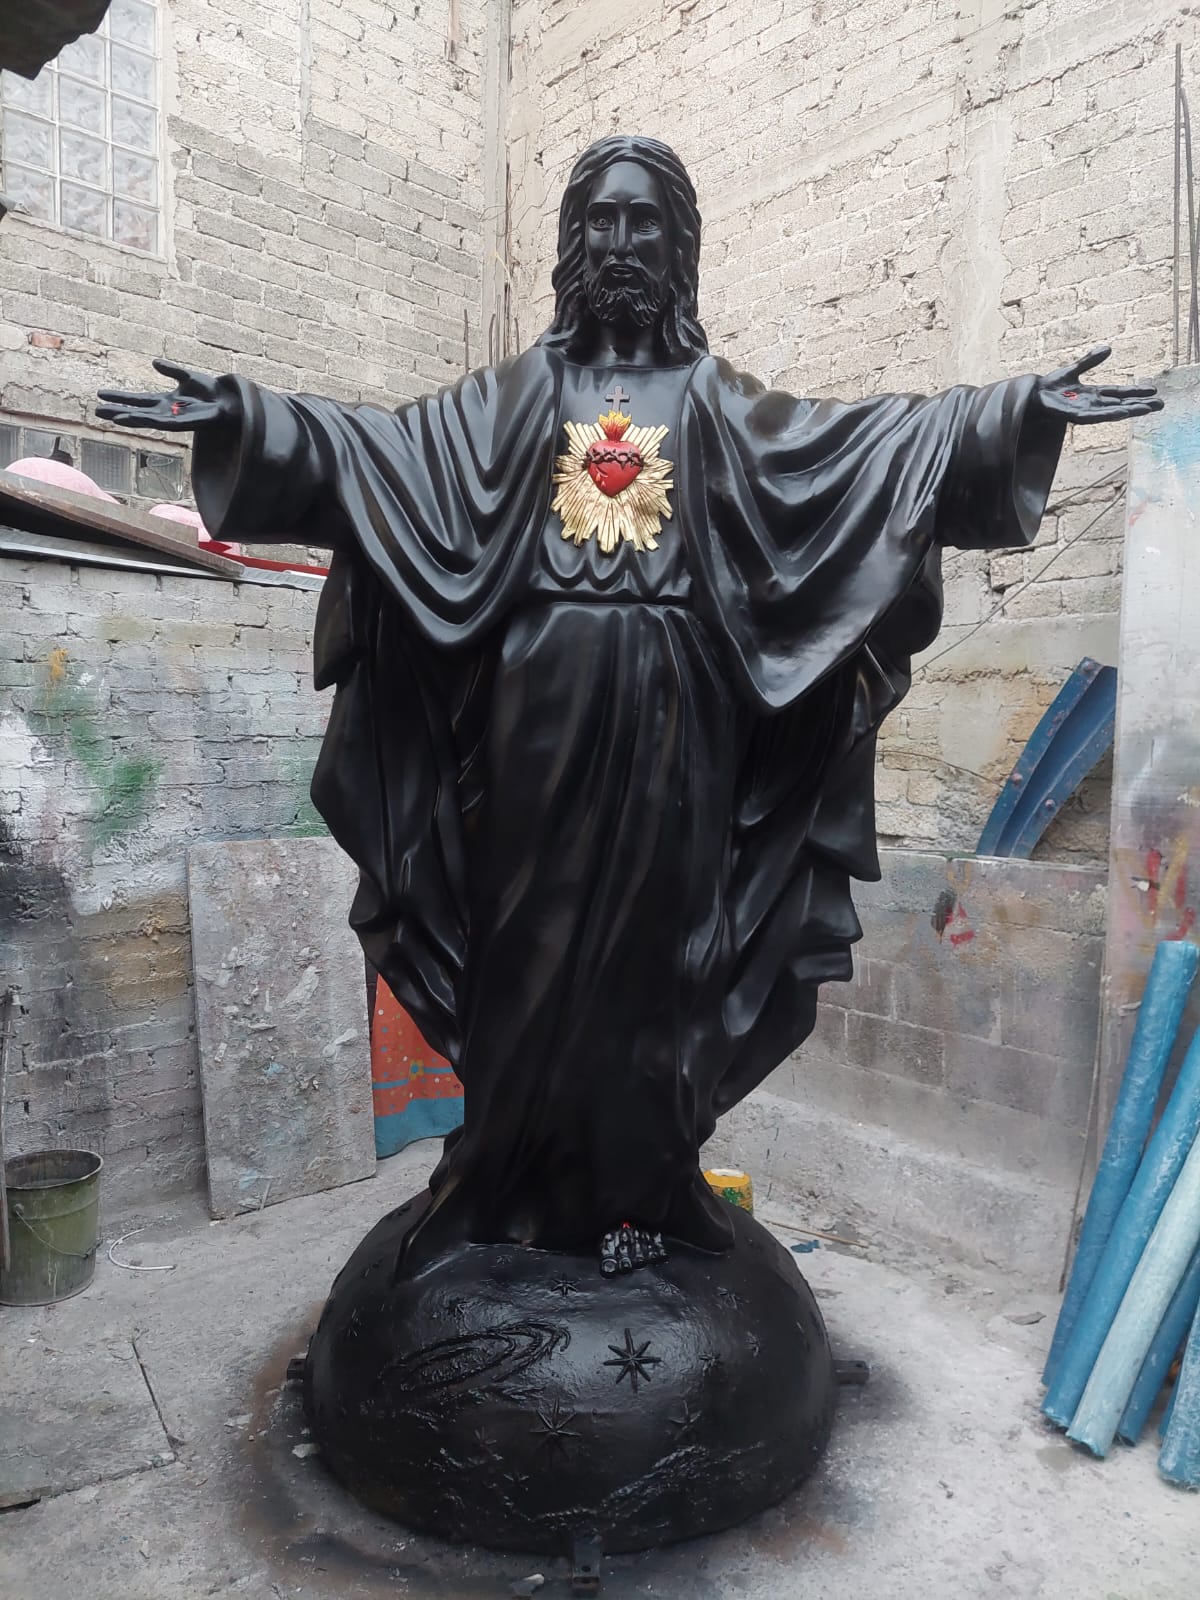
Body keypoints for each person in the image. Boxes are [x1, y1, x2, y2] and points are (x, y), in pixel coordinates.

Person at [97, 135, 1161, 1276]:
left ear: (677, 247)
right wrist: (246, 421)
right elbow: (378, 450)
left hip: (678, 717)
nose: (618, 243)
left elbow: (856, 449)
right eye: (598, 221)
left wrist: (1007, 414)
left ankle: (654, 1190)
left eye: (641, 222)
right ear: (571, 245)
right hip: (534, 716)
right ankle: (494, 1185)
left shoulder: (718, 404)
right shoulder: (515, 399)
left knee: (666, 958)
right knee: (524, 948)